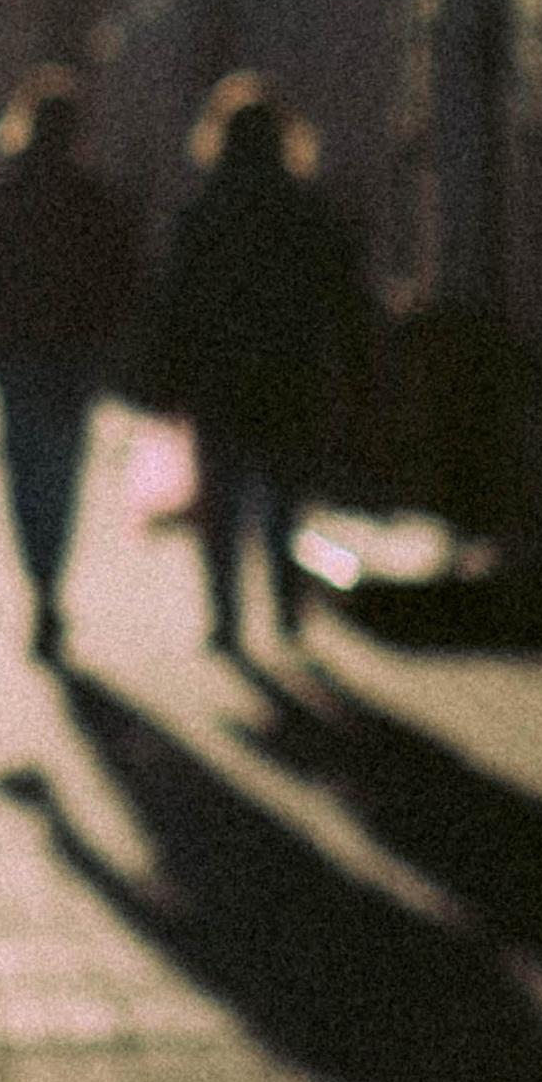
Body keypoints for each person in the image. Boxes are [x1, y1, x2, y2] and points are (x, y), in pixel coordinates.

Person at [0, 73, 141, 662]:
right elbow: (126, 282)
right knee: (62, 472)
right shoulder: (96, 201)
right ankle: (48, 583)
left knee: (24, 467)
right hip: (75, 355)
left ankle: (40, 582)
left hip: (15, 351)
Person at [146, 81, 366, 655]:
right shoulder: (309, 210)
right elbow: (344, 297)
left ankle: (225, 617)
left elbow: (174, 302)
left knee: (220, 499)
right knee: (284, 499)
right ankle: (287, 606)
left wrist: (162, 377)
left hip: (218, 378)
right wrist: (358, 366)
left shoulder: (202, 211)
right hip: (291, 373)